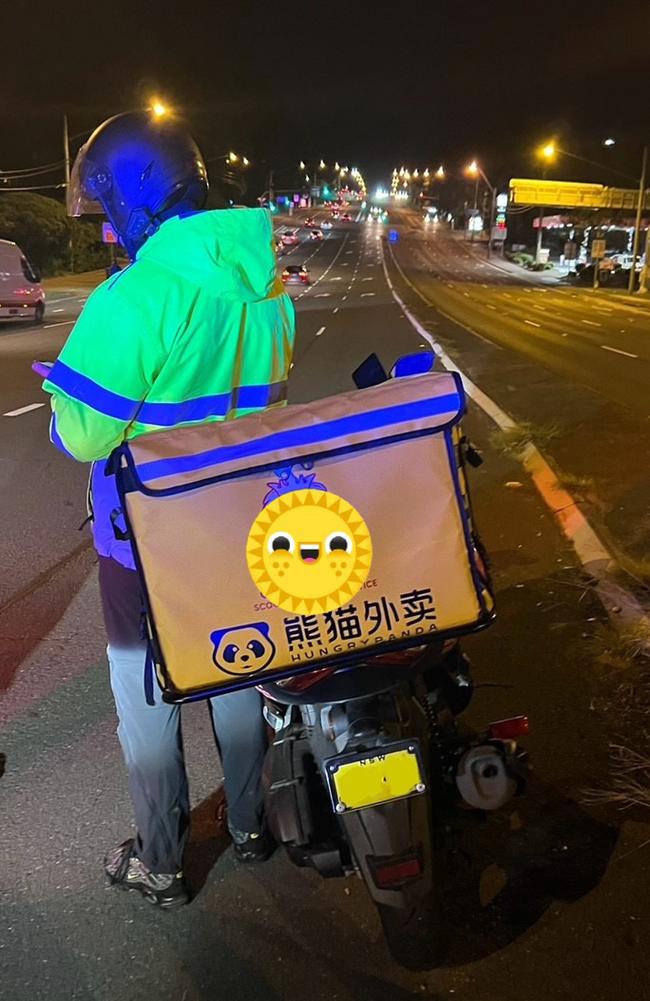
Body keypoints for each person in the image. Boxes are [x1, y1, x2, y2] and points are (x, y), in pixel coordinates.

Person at [38, 110, 295, 908]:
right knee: (238, 667)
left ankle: (161, 858)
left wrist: (63, 393)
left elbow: (81, 433)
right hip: (238, 527)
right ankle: (253, 826)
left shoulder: (140, 294)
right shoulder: (267, 286)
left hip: (144, 538)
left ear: (134, 196)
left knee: (144, 696)